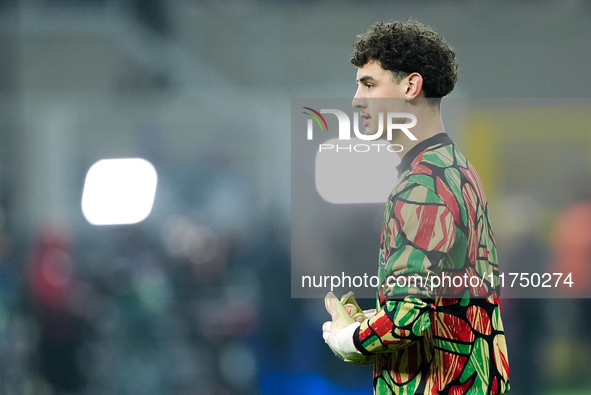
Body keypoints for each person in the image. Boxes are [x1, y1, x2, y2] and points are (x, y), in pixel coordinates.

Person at [322, 20, 510, 394]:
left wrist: (348, 337)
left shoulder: (421, 185)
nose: (356, 99)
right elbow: (444, 303)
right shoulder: (458, 167)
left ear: (410, 85)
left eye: (369, 84)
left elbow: (407, 319)